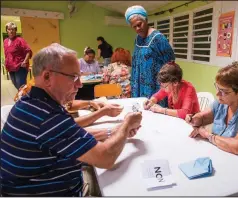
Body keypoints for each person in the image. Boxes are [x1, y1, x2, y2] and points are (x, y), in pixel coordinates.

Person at [1, 43, 142, 196]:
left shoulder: (30, 101)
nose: (80, 84)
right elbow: (106, 158)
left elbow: (66, 134)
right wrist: (126, 124)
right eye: (74, 77)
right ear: (47, 76)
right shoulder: (49, 117)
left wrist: (113, 132)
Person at [185, 62, 238, 166]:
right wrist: (195, 118)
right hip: (224, 156)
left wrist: (207, 135)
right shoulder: (222, 102)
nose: (217, 94)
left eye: (224, 91)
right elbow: (204, 117)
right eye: (217, 88)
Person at [125, 5, 175, 107]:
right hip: (138, 85)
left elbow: (171, 63)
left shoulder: (158, 38)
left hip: (155, 87)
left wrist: (166, 86)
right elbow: (136, 61)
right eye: (134, 26)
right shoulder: (137, 39)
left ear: (146, 20)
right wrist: (132, 83)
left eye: (139, 24)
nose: (138, 28)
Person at [3, 22, 32, 90]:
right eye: (9, 29)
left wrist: (25, 62)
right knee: (16, 85)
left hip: (20, 67)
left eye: (13, 29)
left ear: (15, 30)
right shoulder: (5, 41)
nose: (11, 31)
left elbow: (28, 51)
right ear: (7, 30)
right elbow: (7, 53)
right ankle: (24, 97)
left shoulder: (20, 40)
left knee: (21, 87)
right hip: (10, 67)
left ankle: (25, 99)